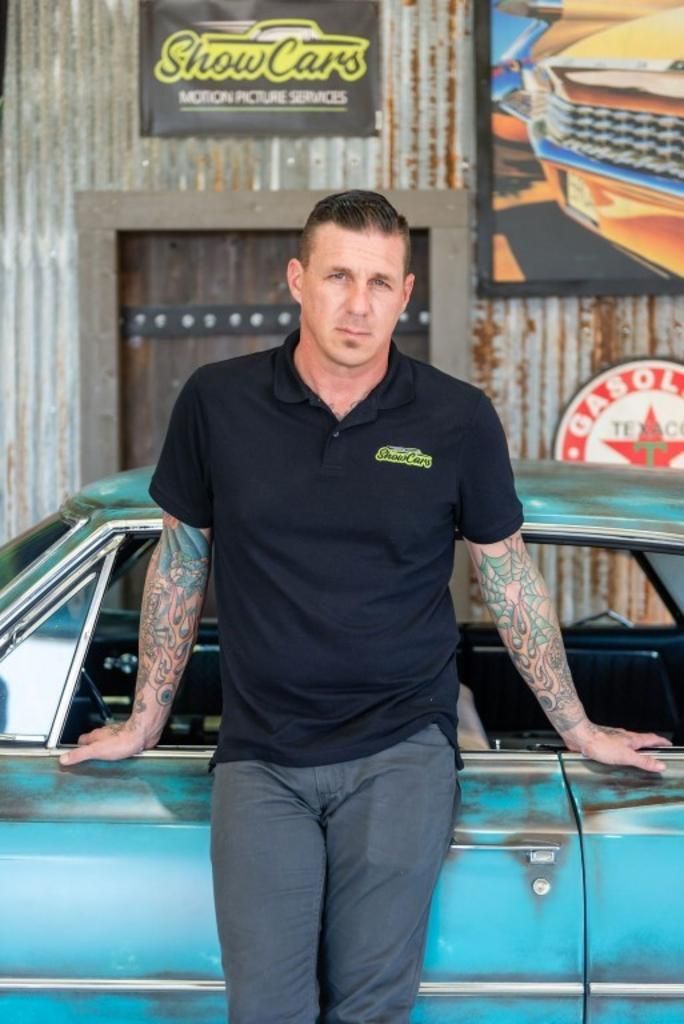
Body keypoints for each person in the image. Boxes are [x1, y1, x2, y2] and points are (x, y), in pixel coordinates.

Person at [60, 190, 669, 1024]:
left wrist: (578, 728)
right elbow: (182, 559)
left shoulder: (455, 418)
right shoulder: (217, 401)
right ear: (296, 279)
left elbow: (508, 576)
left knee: (370, 1011)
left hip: (400, 752)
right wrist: (142, 721)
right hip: (260, 755)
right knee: (265, 1012)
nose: (358, 302)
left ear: (406, 293)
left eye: (380, 282)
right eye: (339, 275)